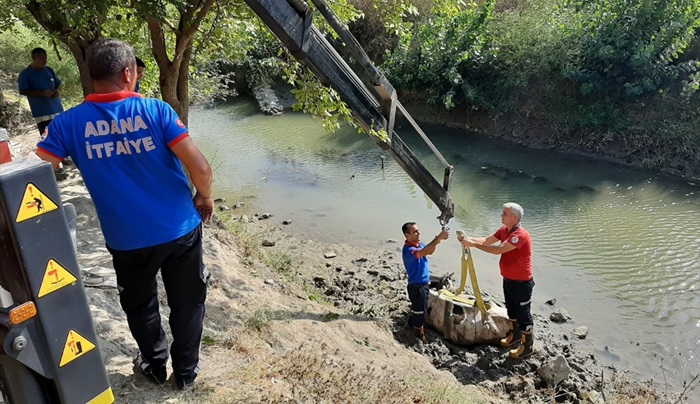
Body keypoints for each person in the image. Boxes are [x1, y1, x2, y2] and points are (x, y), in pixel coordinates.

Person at [36, 38, 214, 390]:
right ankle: (186, 372)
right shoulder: (158, 111)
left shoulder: (67, 124)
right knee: (188, 300)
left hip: (126, 238)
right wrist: (204, 197)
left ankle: (153, 362)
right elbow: (200, 167)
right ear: (129, 72)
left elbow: (36, 173)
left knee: (140, 303)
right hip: (179, 229)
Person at [458, 202, 534, 359]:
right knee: (511, 310)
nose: (501, 215)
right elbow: (487, 240)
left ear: (514, 217)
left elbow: (499, 249)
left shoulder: (519, 235)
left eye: (504, 213)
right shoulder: (505, 230)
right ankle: (516, 336)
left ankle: (528, 347)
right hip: (509, 279)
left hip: (521, 283)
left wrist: (473, 245)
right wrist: (469, 239)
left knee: (523, 315)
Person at [401, 222, 449, 342]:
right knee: (420, 314)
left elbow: (429, 251)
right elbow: (423, 252)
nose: (418, 233)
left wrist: (438, 240)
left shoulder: (418, 244)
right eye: (415, 232)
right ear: (407, 235)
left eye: (418, 230)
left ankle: (415, 321)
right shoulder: (408, 250)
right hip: (417, 287)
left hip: (425, 283)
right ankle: (418, 334)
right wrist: (438, 238)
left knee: (421, 309)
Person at [18, 47, 64, 136]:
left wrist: (57, 91)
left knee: (63, 136)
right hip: (42, 115)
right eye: (42, 59)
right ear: (34, 58)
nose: (45, 61)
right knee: (48, 139)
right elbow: (23, 91)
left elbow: (58, 84)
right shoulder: (25, 74)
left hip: (58, 111)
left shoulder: (49, 70)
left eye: (46, 59)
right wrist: (41, 93)